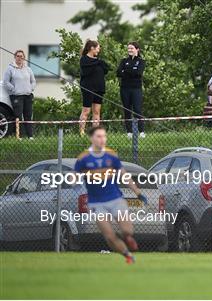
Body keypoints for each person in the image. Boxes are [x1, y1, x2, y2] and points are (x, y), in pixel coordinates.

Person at [74, 125, 148, 264]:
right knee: (109, 236)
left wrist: (138, 192)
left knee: (127, 230)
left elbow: (124, 176)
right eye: (99, 136)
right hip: (96, 203)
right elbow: (74, 176)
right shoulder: (83, 158)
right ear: (91, 138)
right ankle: (127, 255)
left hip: (115, 199)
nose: (102, 139)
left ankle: (127, 238)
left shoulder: (111, 155)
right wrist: (74, 180)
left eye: (104, 136)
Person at [3, 50, 36, 139]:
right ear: (15, 57)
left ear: (24, 58)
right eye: (18, 56)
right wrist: (14, 90)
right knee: (18, 116)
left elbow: (33, 81)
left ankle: (30, 136)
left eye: (21, 56)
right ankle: (19, 136)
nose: (19, 58)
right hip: (17, 96)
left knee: (28, 115)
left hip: (28, 95)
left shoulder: (28, 69)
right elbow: (6, 82)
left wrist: (31, 88)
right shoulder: (10, 69)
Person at [79, 39, 109, 135]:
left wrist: (99, 62)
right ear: (92, 48)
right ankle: (82, 132)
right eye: (97, 48)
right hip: (88, 88)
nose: (98, 50)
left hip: (99, 88)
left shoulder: (99, 60)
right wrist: (97, 62)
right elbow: (86, 71)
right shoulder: (84, 59)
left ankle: (95, 133)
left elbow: (106, 69)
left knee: (97, 112)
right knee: (86, 111)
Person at [116, 41, 146, 138]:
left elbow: (138, 73)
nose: (129, 50)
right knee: (127, 110)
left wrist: (126, 70)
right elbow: (118, 73)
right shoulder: (124, 61)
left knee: (137, 110)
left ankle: (141, 131)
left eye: (131, 48)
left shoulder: (141, 61)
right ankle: (129, 132)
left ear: (137, 49)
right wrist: (131, 70)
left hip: (136, 89)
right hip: (124, 89)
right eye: (128, 48)